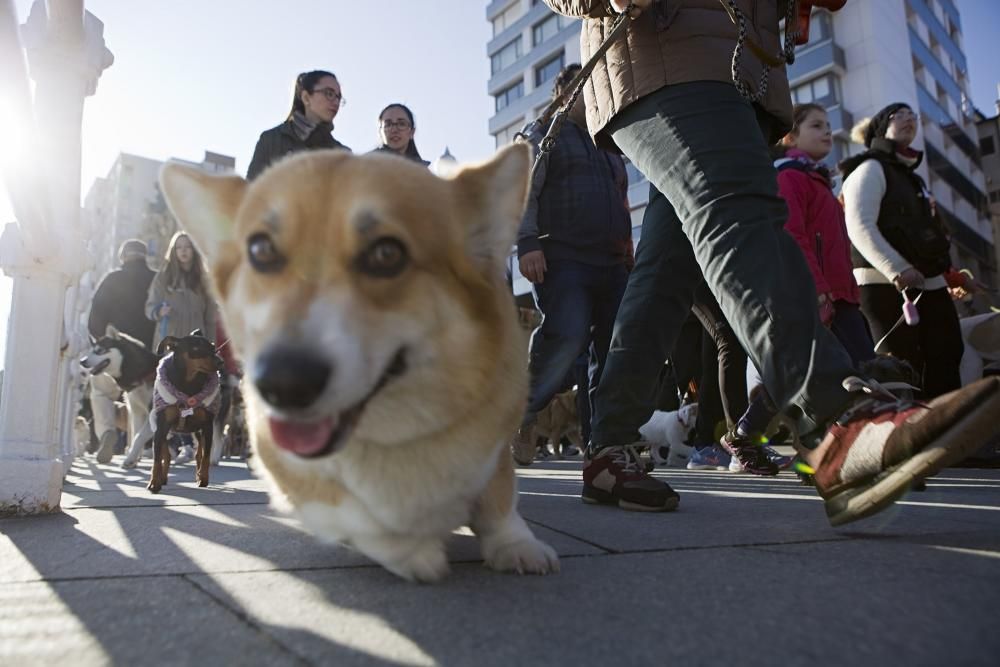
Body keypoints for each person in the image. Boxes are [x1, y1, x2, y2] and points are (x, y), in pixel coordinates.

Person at [544, 0, 998, 523]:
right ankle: (836, 423)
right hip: (663, 59)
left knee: (666, 271)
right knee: (738, 214)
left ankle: (610, 446)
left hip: (738, 80)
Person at [728, 103, 877, 470]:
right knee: (849, 370)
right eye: (816, 126)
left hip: (841, 295)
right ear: (790, 136)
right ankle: (847, 451)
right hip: (817, 294)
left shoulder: (819, 180)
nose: (827, 131)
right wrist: (817, 288)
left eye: (828, 125)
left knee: (823, 372)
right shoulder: (790, 176)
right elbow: (791, 235)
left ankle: (747, 435)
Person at [508, 63, 633, 467]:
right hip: (562, 258)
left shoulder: (610, 143)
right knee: (566, 336)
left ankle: (605, 444)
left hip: (612, 261)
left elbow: (621, 201)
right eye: (587, 87)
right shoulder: (543, 134)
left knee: (611, 352)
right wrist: (526, 243)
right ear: (564, 94)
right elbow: (523, 190)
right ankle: (520, 417)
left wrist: (628, 254)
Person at [840, 102, 965, 398]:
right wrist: (895, 267)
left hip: (929, 284)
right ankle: (907, 437)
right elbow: (859, 225)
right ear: (882, 126)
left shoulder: (915, 180)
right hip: (885, 284)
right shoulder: (869, 168)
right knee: (899, 366)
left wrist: (955, 277)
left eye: (913, 115)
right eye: (900, 114)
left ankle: (946, 432)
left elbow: (931, 236)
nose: (910, 119)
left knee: (947, 355)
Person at [87, 239, 157, 463]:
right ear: (144, 256)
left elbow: (94, 320)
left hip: (113, 357)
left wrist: (101, 344)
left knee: (100, 393)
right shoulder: (156, 279)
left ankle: (107, 432)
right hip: (148, 360)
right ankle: (139, 447)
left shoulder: (112, 279)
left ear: (122, 257)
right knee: (145, 407)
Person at [247, 70, 350, 180]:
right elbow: (251, 190)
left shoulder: (342, 153)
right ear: (306, 97)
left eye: (338, 97)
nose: (336, 102)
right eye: (329, 94)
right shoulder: (271, 140)